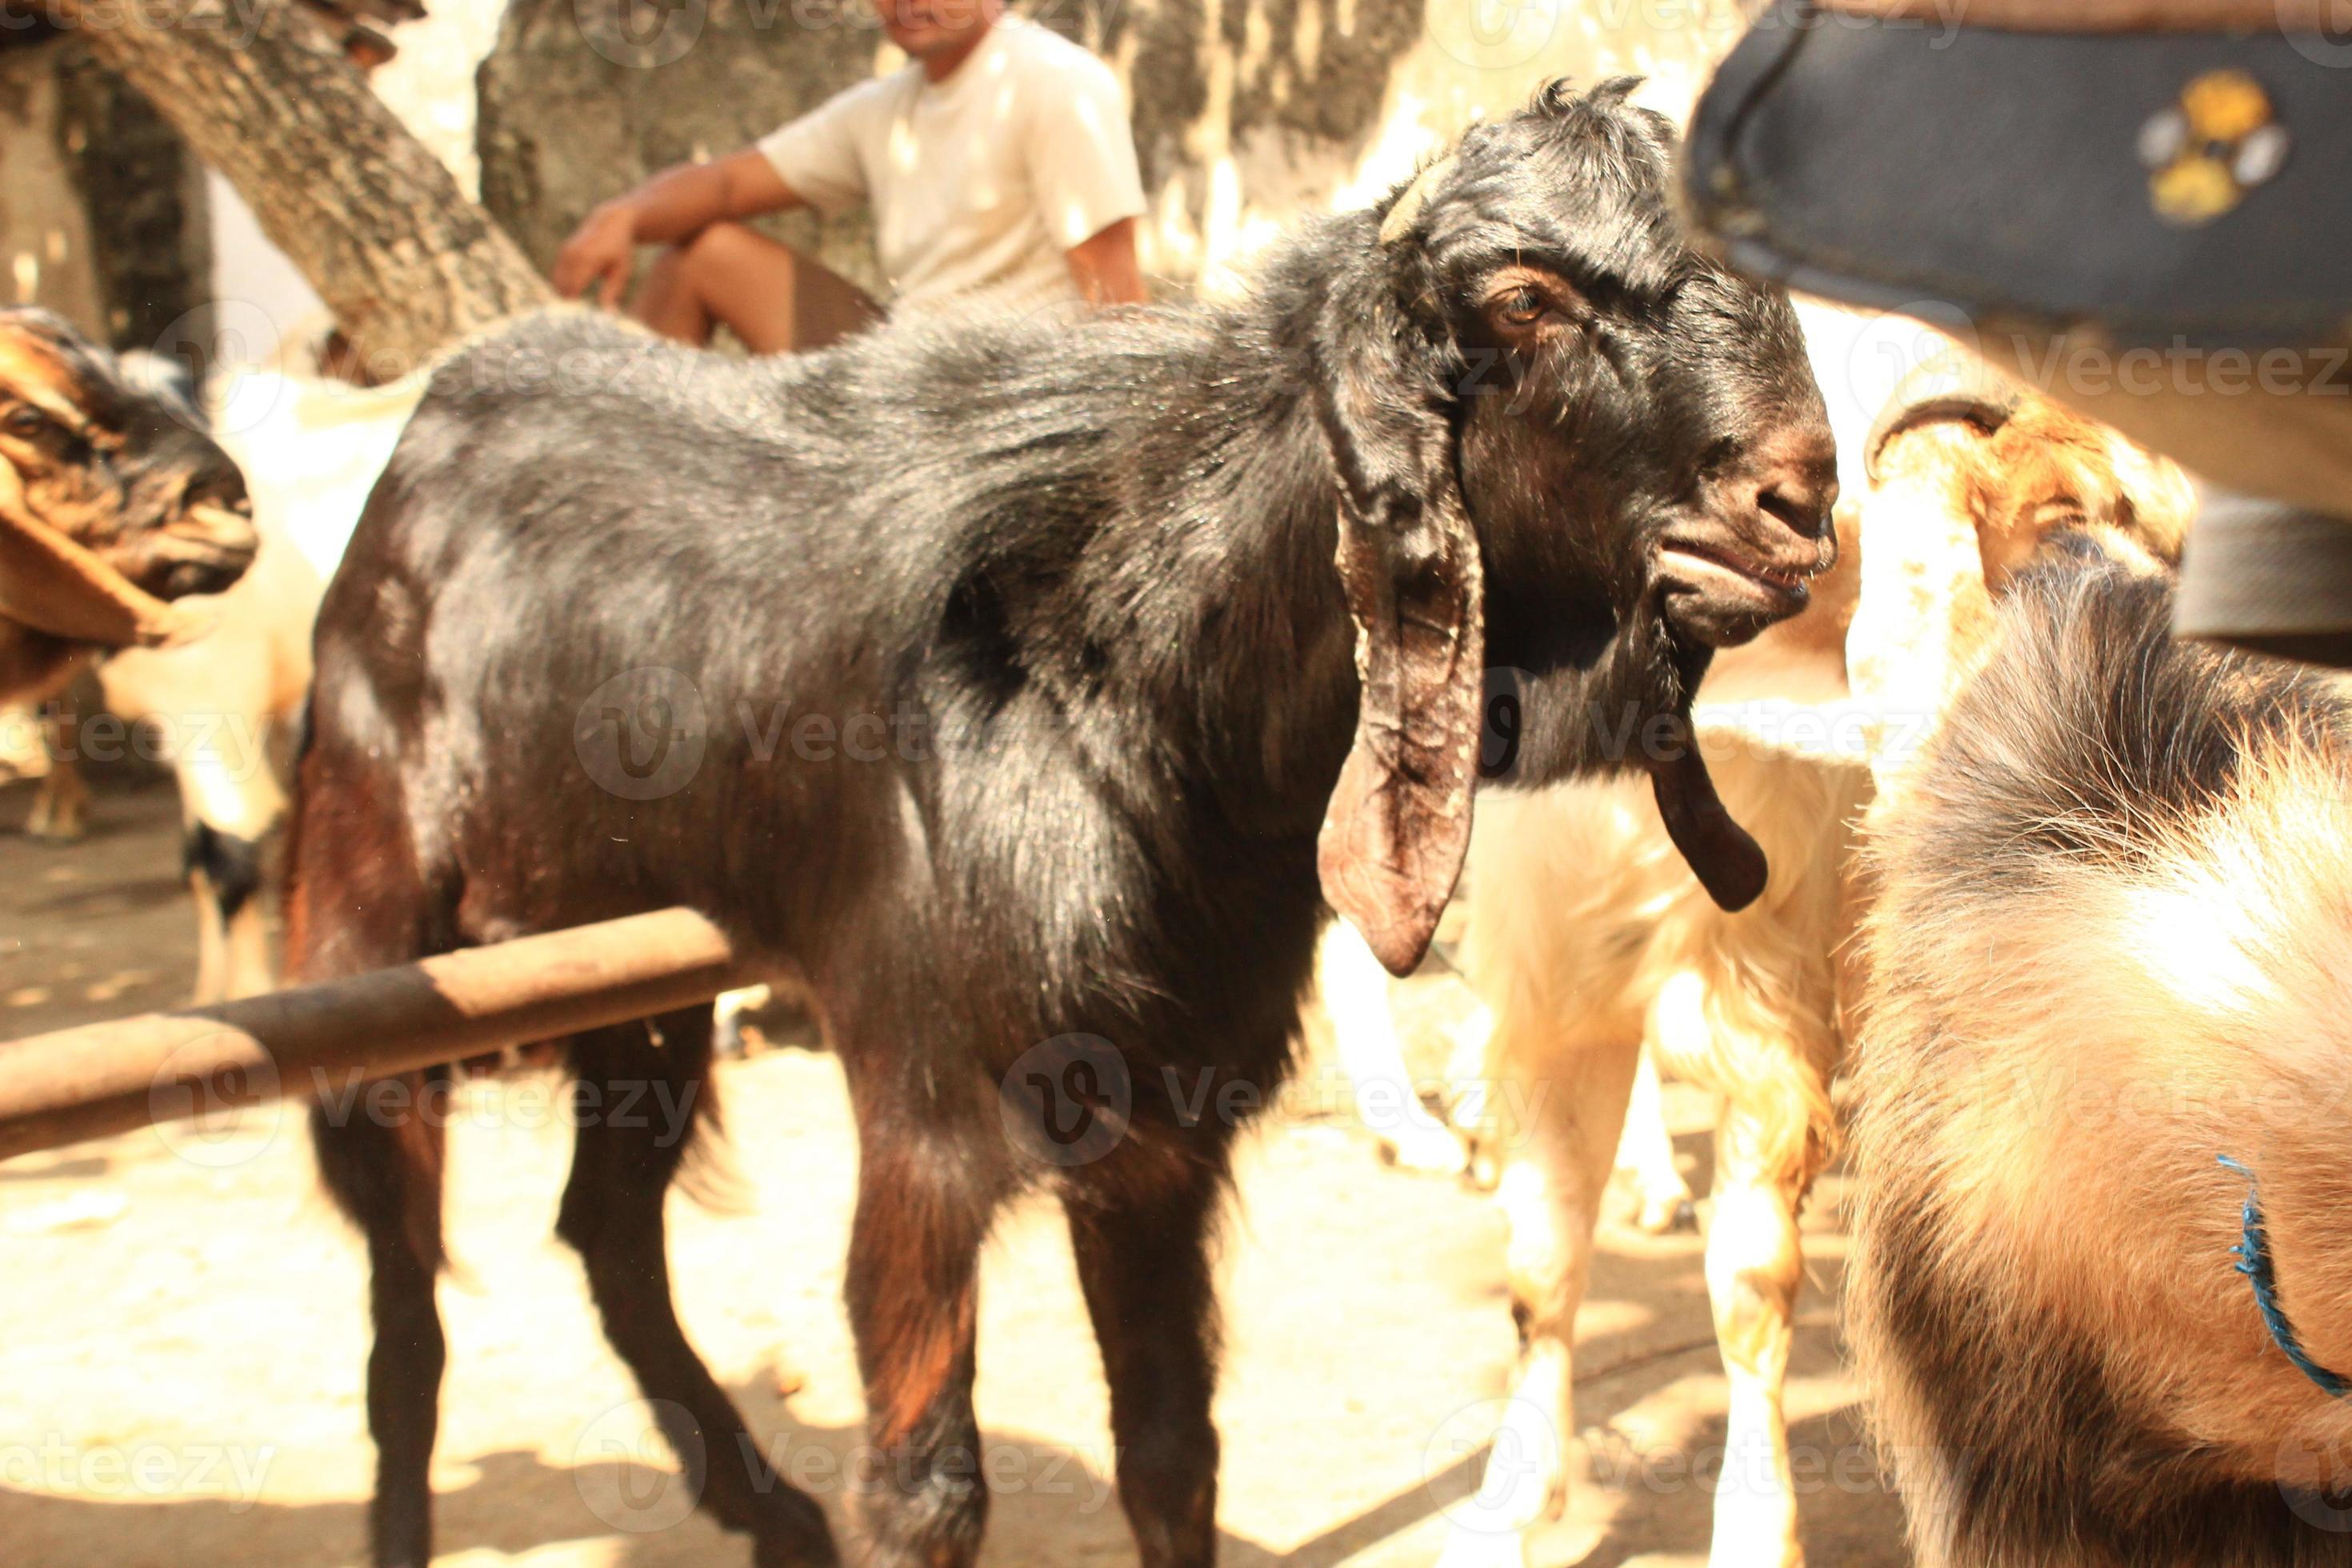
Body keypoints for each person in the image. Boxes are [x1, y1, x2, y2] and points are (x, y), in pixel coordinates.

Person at [552, 0, 1149, 352]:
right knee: (701, 255)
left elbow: (1115, 296)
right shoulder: (884, 109)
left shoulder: (1055, 81)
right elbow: (729, 184)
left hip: (1003, 391)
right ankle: (620, 489)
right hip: (899, 363)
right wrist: (623, 215)